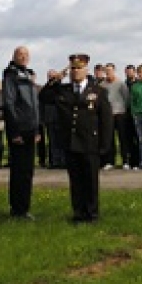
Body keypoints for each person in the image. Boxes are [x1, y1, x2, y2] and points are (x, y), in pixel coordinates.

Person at [47, 54, 113, 222]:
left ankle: (92, 213)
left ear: (86, 70)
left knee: (90, 180)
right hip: (71, 142)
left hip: (90, 143)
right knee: (75, 181)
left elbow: (106, 120)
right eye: (73, 68)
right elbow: (44, 97)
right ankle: (78, 212)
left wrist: (105, 146)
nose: (76, 71)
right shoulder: (63, 90)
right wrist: (56, 79)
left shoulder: (98, 92)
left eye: (79, 68)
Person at [2, 46, 40, 219]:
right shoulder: (11, 75)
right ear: (14, 57)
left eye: (26, 55)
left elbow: (35, 105)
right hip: (19, 129)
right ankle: (17, 209)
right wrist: (14, 131)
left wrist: (38, 128)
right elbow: (9, 104)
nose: (24, 57)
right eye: (20, 55)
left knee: (28, 171)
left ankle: (25, 207)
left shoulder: (29, 75)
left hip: (31, 129)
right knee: (18, 171)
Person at [101, 64, 130, 169]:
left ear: (114, 71)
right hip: (108, 115)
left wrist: (122, 109)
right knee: (109, 139)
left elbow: (126, 98)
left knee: (123, 138)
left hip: (120, 113)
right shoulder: (102, 85)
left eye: (110, 71)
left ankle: (125, 161)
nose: (108, 73)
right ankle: (110, 161)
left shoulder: (121, 83)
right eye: (107, 71)